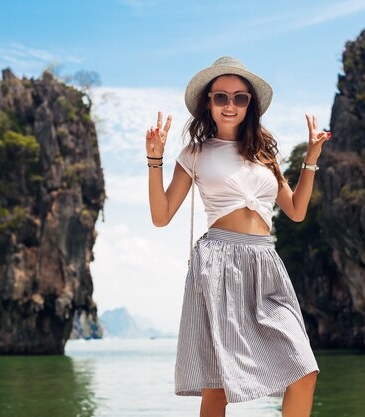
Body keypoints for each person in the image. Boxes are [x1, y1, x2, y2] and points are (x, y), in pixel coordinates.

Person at [145, 56, 330, 417]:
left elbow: (295, 210)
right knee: (217, 387)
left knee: (304, 370)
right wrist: (155, 161)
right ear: (208, 104)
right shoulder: (195, 153)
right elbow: (161, 215)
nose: (230, 105)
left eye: (240, 98)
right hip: (218, 264)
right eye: (221, 97)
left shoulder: (265, 154)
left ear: (250, 105)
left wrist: (311, 158)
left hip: (266, 264)